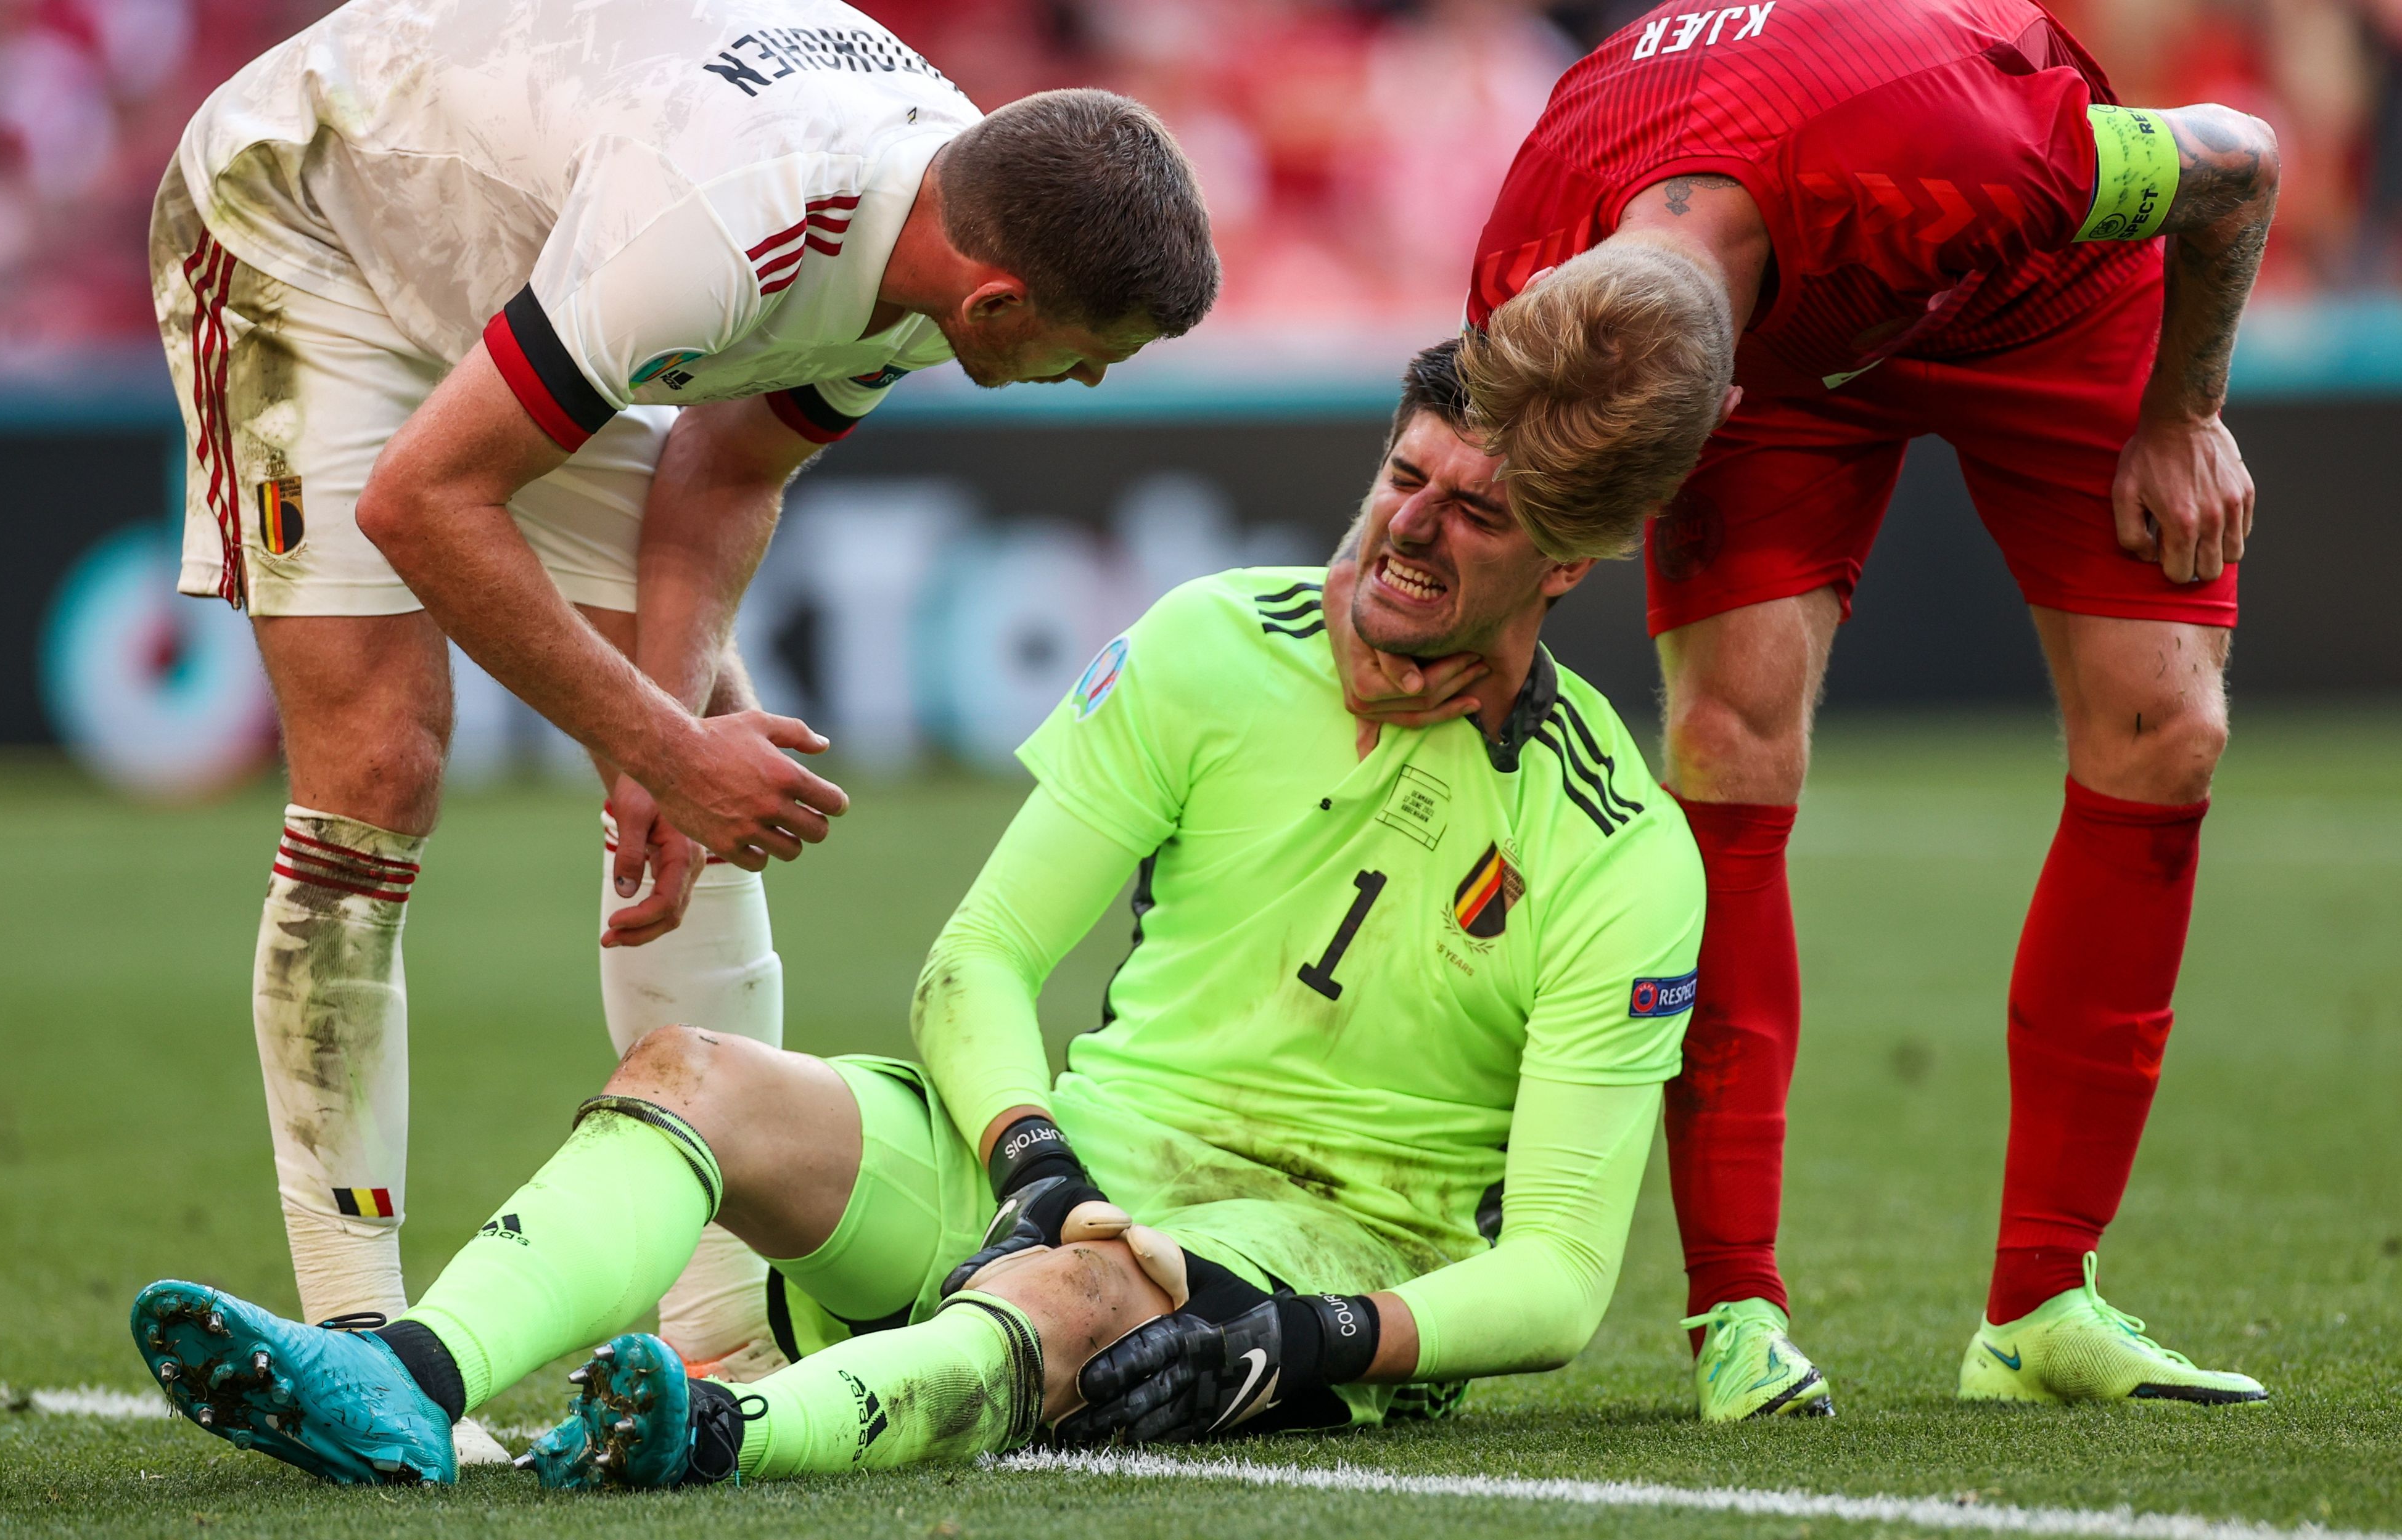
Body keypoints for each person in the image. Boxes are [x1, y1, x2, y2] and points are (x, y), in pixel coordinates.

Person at [129, 339, 1705, 1486]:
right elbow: (982, 961)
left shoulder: (1616, 847)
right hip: (1059, 1164)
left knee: (1080, 1287)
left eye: (1473, 515)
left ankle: (725, 1435)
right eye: (1401, 478)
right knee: (694, 1074)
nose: (1406, 531)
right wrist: (1033, 1156)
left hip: (1304, 1254)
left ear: (1565, 563)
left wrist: (1308, 1340)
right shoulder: (1213, 641)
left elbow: (1561, 1279)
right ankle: (407, 1377)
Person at [150, 0, 1217, 1453]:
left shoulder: (945, 214)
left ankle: (709, 1329)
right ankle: (355, 1337)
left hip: (525, 250)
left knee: (710, 744)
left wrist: (666, 738)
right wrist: (657, 742)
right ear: (995, 306)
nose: (1087, 381)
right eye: (1087, 353)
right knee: (379, 766)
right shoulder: (731, 230)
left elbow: (722, 470)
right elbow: (419, 501)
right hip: (314, 214)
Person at [1336, 0, 2278, 1419]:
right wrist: (1412, 611)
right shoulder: (1532, 259)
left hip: (2040, 291)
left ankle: (2040, 1304)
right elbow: (1460, 478)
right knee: (1723, 731)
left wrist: (2184, 413)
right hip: (1767, 327)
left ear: (1711, 410)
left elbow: (2242, 160)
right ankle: (1732, 1311)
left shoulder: (1967, 147)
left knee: (2168, 725)